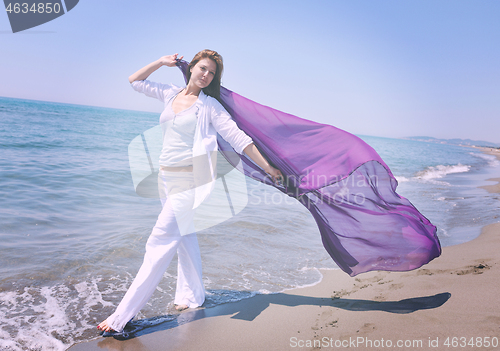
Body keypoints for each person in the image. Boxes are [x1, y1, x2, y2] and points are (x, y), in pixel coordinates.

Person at [98, 50, 282, 334]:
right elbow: (134, 81)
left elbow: (238, 138)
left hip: (191, 181)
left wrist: (268, 167)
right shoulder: (170, 94)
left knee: (159, 242)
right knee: (184, 237)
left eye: (211, 73)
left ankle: (121, 317)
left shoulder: (209, 107)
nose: (206, 75)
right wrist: (161, 62)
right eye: (203, 69)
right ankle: (193, 295)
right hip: (165, 178)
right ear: (192, 67)